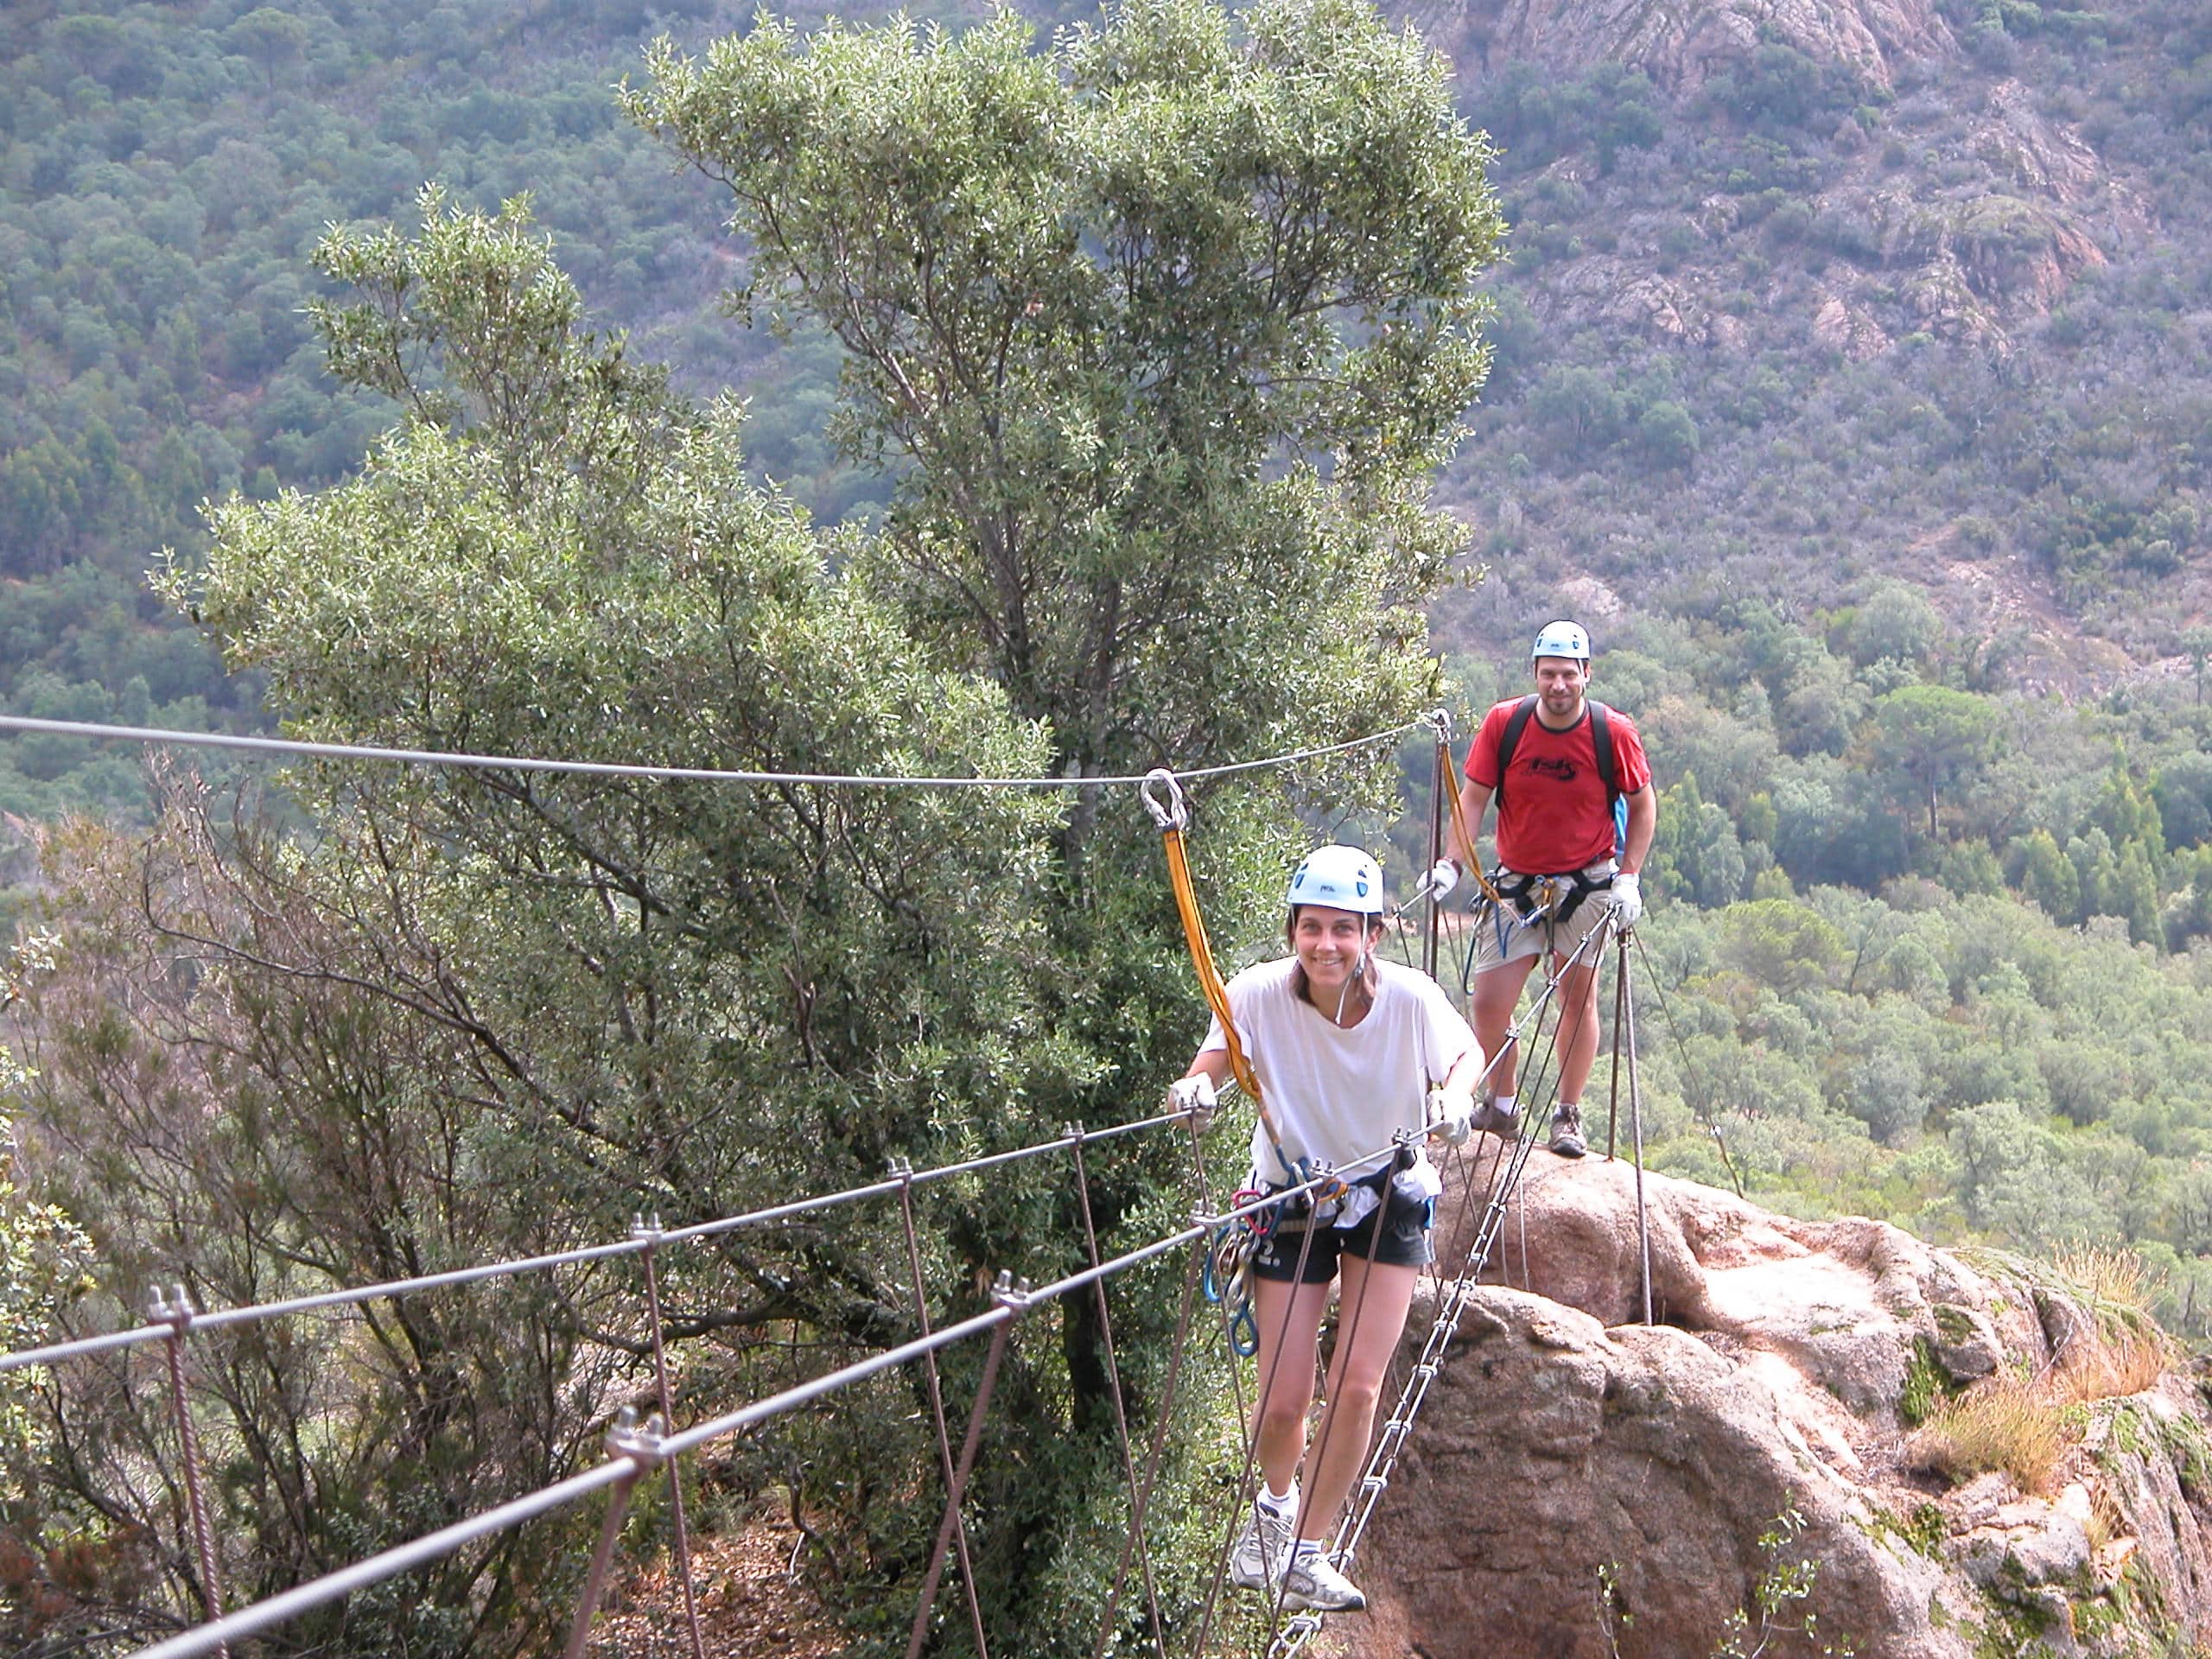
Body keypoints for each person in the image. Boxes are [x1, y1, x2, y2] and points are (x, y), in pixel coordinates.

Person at [1168, 844, 1484, 1613]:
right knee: (1284, 1398)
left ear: (1373, 934)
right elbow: (1211, 1061)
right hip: (1290, 1195)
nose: (1327, 946)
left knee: (1357, 1386)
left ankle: (1307, 1549)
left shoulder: (1411, 1000)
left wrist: (1454, 1097)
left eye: (1345, 929)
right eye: (1312, 928)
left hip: (1387, 1197)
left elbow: (1466, 1054)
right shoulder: (1256, 994)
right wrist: (1193, 1090)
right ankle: (1272, 1515)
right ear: (1293, 931)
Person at [1440, 620, 1656, 1158]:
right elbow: (1472, 798)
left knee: (1575, 999)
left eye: (1568, 675)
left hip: (1588, 882)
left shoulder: (1612, 732)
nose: (1558, 685)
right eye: (1548, 674)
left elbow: (1645, 803)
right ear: (1535, 674)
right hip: (1518, 886)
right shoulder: (1505, 725)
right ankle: (1503, 1103)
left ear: (1586, 675)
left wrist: (1629, 876)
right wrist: (1451, 862)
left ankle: (1568, 1113)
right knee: (1489, 1001)